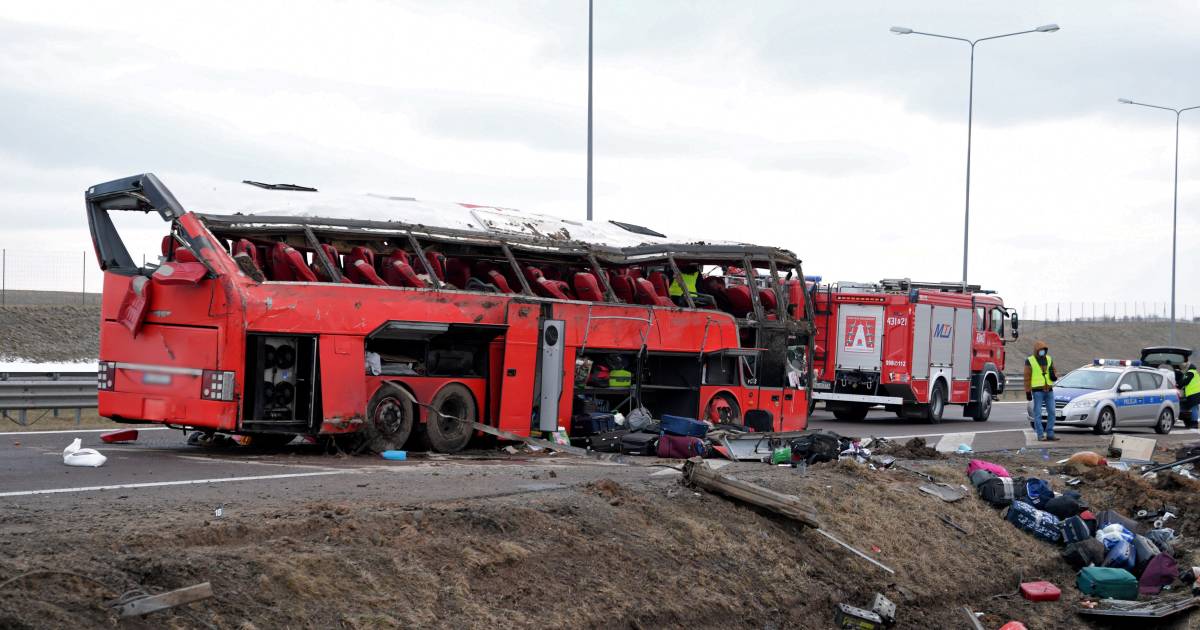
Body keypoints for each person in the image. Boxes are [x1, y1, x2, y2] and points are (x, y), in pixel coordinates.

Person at [1024, 340, 1059, 441]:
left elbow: (1054, 370)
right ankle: (1040, 435)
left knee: (1052, 412)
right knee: (1037, 413)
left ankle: (1050, 433)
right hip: (1037, 391)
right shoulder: (1030, 360)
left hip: (1049, 390)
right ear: (1036, 350)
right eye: (1040, 350)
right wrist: (1028, 391)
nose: (1042, 351)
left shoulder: (1049, 359)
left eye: (1044, 350)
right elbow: (1027, 377)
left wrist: (1054, 376)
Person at [1182, 362, 1200, 430]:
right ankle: (1194, 423)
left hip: (1193, 393)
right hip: (1197, 393)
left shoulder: (1190, 372)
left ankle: (1194, 423)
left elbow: (1185, 381)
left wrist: (1179, 385)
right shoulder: (1196, 373)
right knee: (1195, 408)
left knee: (1194, 408)